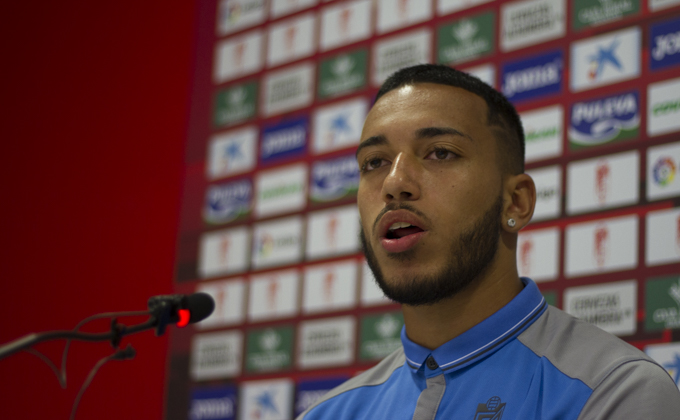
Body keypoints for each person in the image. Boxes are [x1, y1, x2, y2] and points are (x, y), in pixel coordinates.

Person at [296, 64, 680, 419]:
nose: (395, 183)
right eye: (374, 162)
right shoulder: (328, 413)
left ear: (516, 201)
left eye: (440, 152)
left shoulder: (616, 391)